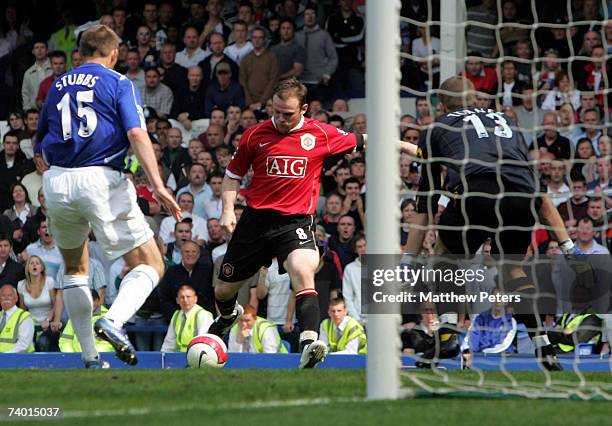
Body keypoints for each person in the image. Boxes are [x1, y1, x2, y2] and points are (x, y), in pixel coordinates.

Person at [208, 77, 415, 368]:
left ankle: (309, 343)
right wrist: (227, 210)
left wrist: (408, 146)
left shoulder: (321, 134)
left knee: (302, 270)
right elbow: (232, 175)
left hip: (295, 221)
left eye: (287, 113)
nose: (279, 118)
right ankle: (228, 315)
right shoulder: (255, 135)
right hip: (255, 221)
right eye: (276, 111)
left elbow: (366, 139)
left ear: (303, 109)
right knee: (224, 290)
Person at [406, 76, 579, 371]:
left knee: (445, 255)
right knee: (511, 270)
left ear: (442, 106)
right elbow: (540, 194)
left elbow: (426, 202)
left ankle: (447, 333)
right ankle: (542, 345)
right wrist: (569, 246)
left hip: (479, 191)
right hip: (520, 197)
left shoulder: (436, 128)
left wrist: (409, 259)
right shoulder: (507, 122)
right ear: (474, 101)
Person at [36, 25, 181, 368]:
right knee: (149, 263)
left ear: (81, 51)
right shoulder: (118, 82)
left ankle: (89, 357)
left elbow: (39, 141)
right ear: (114, 55)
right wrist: (157, 184)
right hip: (99, 177)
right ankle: (113, 321)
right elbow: (135, 132)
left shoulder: (57, 85)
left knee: (74, 268)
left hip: (56, 180)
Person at [17, 255, 58, 352]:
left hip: (48, 325)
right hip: (30, 325)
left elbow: (55, 305)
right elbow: (22, 309)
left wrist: (48, 320)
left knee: (42, 343)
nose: (34, 265)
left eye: (37, 263)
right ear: (27, 268)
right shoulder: (21, 285)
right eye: (31, 263)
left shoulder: (49, 281)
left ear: (42, 267)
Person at [59, 289, 114, 354]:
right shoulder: (75, 316)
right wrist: (72, 356)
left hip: (99, 360)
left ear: (98, 301)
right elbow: (65, 341)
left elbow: (109, 344)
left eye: (91, 301)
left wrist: (90, 355)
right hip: (74, 359)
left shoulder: (108, 318)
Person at [160, 284, 214, 352]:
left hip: (198, 357)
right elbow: (169, 343)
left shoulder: (203, 315)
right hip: (181, 356)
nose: (185, 300)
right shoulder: (176, 315)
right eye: (182, 297)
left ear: (195, 299)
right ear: (177, 300)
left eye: (188, 297)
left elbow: (203, 344)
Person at [0, 284, 34, 352]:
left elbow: (23, 345)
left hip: (19, 360)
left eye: (10, 295)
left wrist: (4, 356)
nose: (6, 298)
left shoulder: (24, 317)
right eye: (3, 295)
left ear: (16, 298)